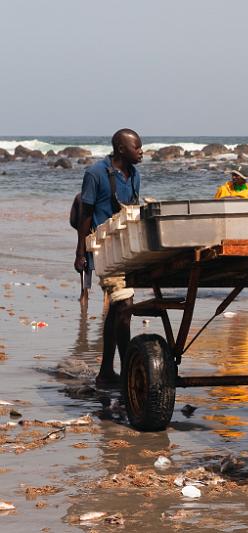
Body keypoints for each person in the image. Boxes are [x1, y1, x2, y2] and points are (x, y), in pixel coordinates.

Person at [74, 128, 143, 386]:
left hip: (126, 249)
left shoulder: (134, 174)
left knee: (117, 309)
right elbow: (85, 214)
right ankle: (126, 370)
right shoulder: (95, 174)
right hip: (102, 249)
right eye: (137, 147)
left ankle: (106, 372)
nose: (141, 151)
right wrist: (80, 252)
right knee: (124, 307)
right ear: (122, 149)